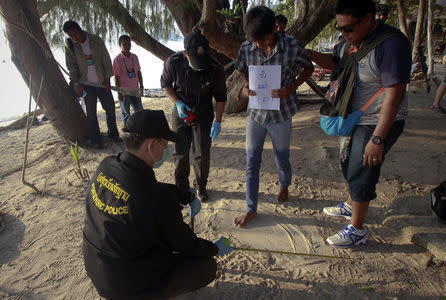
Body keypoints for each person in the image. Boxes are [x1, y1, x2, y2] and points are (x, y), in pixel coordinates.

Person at [82, 109, 227, 299]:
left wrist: (184, 195)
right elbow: (186, 244)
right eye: (165, 144)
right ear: (151, 145)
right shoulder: (157, 199)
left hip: (97, 266)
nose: (167, 150)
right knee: (207, 266)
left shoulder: (107, 165)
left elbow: (147, 188)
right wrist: (214, 248)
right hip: (126, 286)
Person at [307, 0, 411, 247]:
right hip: (352, 115)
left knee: (363, 166)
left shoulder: (391, 45)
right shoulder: (348, 41)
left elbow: (395, 94)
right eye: (339, 28)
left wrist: (378, 138)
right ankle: (352, 202)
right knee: (347, 162)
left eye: (349, 28)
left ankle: (357, 229)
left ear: (368, 19)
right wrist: (309, 54)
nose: (343, 33)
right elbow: (335, 61)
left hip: (379, 119)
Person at [233, 6, 314, 227]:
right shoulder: (247, 47)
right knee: (251, 162)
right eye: (255, 40)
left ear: (275, 29)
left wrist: (291, 88)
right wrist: (246, 84)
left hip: (282, 114)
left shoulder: (291, 45)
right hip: (256, 115)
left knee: (282, 157)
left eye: (263, 39)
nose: (259, 44)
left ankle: (284, 184)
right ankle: (251, 208)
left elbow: (308, 68)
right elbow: (241, 68)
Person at [160, 31, 227, 202]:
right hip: (180, 110)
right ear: (185, 54)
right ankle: (181, 186)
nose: (200, 65)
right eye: (196, 62)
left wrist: (217, 122)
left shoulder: (215, 68)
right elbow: (165, 84)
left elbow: (220, 97)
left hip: (203, 112)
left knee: (202, 152)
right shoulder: (173, 63)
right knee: (180, 151)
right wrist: (177, 103)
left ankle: (201, 186)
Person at [63, 20, 120, 148]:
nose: (74, 38)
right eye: (71, 36)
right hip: (86, 84)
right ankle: (96, 140)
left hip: (101, 82)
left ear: (79, 29)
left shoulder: (95, 40)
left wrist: (107, 80)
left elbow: (106, 59)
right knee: (91, 113)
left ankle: (113, 134)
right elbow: (71, 67)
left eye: (75, 34)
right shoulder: (71, 46)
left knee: (110, 109)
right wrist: (77, 83)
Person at [113, 35, 144, 124]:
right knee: (126, 114)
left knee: (140, 112)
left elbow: (138, 72)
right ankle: (128, 135)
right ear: (120, 45)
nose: (127, 46)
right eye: (124, 44)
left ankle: (141, 132)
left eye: (129, 43)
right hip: (124, 91)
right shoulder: (117, 59)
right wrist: (119, 93)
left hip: (135, 89)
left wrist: (141, 86)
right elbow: (116, 77)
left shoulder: (135, 57)